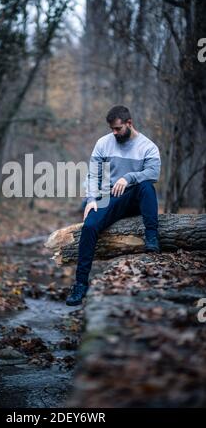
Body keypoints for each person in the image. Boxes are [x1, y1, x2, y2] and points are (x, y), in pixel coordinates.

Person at [66, 105, 161, 306]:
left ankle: (152, 236)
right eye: (112, 129)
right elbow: (93, 174)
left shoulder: (148, 146)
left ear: (129, 123)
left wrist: (129, 178)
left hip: (135, 199)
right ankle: (80, 284)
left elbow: (153, 173)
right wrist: (91, 199)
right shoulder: (103, 144)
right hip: (108, 198)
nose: (114, 133)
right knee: (90, 226)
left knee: (146, 186)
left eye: (118, 129)